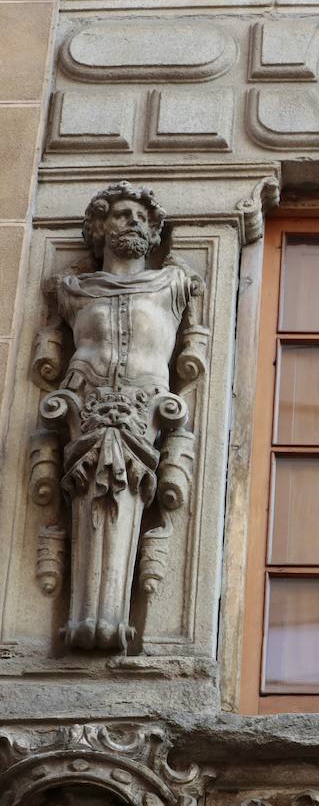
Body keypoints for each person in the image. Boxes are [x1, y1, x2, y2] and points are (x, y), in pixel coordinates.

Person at [34, 182, 200, 652]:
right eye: (123, 214)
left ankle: (112, 619)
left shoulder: (173, 284)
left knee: (131, 499)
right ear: (98, 227)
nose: (134, 223)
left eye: (144, 219)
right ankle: (87, 617)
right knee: (85, 504)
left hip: (144, 414)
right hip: (84, 411)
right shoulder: (71, 290)